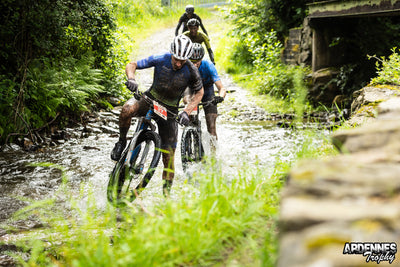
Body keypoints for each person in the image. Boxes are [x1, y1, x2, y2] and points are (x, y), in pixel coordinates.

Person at [111, 35, 204, 194]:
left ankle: (166, 196)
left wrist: (187, 112)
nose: (178, 63)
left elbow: (199, 92)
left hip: (169, 112)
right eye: (176, 59)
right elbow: (132, 64)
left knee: (169, 158)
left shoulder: (192, 71)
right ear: (171, 53)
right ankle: (121, 142)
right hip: (149, 99)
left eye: (183, 60)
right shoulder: (161, 58)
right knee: (127, 109)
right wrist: (131, 79)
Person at [186, 43, 226, 150]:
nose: (194, 65)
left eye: (197, 62)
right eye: (192, 62)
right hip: (192, 91)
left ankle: (213, 157)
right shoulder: (185, 66)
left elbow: (221, 88)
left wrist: (220, 97)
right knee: (189, 108)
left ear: (202, 59)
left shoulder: (208, 65)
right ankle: (190, 141)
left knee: (212, 128)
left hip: (208, 91)